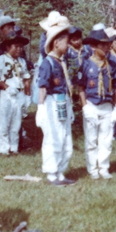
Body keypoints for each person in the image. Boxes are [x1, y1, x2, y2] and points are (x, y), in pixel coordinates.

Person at [36, 21, 76, 186]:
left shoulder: (61, 62)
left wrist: (70, 106)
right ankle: (52, 173)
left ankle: (60, 171)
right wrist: (40, 108)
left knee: (65, 138)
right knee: (54, 137)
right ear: (56, 42)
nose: (68, 45)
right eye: (66, 41)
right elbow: (43, 86)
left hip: (63, 101)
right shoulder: (48, 62)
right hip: (52, 103)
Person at [78, 29, 116, 179]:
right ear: (94, 47)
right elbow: (81, 87)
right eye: (103, 45)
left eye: (108, 45)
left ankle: (104, 167)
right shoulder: (86, 64)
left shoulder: (112, 65)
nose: (107, 48)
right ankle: (93, 169)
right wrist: (85, 107)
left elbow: (115, 87)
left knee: (106, 140)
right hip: (92, 104)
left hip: (107, 105)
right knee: (91, 140)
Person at [0, 33, 31, 155]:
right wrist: (6, 86)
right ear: (8, 47)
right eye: (16, 46)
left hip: (19, 94)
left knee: (16, 123)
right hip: (6, 94)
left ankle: (14, 147)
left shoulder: (22, 62)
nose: (19, 49)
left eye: (21, 47)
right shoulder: (1, 59)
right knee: (3, 122)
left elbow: (26, 78)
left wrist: (27, 95)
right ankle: (3, 148)